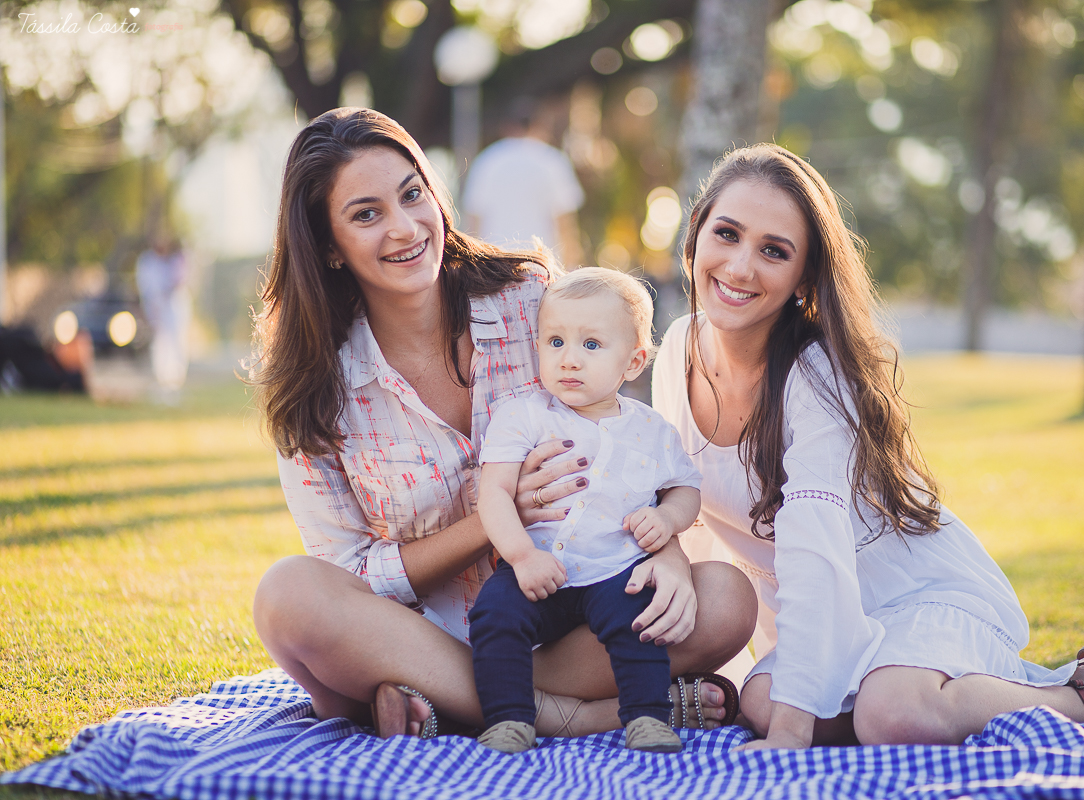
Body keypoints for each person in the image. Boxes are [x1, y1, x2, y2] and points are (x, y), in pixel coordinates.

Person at [651, 143, 1084, 750]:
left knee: (894, 716)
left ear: (804, 276)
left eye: (773, 251)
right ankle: (889, 699)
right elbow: (692, 512)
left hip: (917, 594)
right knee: (758, 700)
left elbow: (816, 548)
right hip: (828, 616)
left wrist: (791, 732)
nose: (740, 267)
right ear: (697, 230)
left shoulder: (814, 377)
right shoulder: (677, 349)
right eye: (726, 234)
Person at [249, 108, 755, 742]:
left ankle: (443, 705)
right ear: (327, 244)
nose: (405, 228)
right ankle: (571, 716)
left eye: (413, 195)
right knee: (288, 595)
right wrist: (493, 516)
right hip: (415, 636)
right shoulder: (314, 390)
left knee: (724, 599)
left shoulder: (528, 300)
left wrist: (671, 557)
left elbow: (620, 441)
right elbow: (349, 570)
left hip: (570, 621)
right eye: (366, 214)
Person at [470, 268, 703, 754]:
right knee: (496, 613)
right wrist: (519, 556)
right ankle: (509, 720)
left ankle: (647, 718)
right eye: (554, 341)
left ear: (633, 360)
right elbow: (493, 492)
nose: (569, 359)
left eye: (591, 345)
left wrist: (667, 519)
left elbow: (684, 489)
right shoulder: (524, 413)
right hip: (536, 566)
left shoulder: (651, 429)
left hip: (613, 567)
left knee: (638, 618)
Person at [462, 98, 584, 268]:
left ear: (506, 127)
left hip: (496, 267)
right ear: (539, 125)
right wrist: (571, 268)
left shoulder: (487, 160)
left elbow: (474, 222)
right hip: (544, 266)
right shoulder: (552, 160)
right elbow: (565, 224)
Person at [135, 235, 190, 402]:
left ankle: (174, 383)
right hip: (157, 310)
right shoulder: (148, 262)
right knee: (160, 346)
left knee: (176, 345)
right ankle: (162, 382)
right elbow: (146, 288)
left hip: (172, 309)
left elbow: (179, 282)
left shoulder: (175, 261)